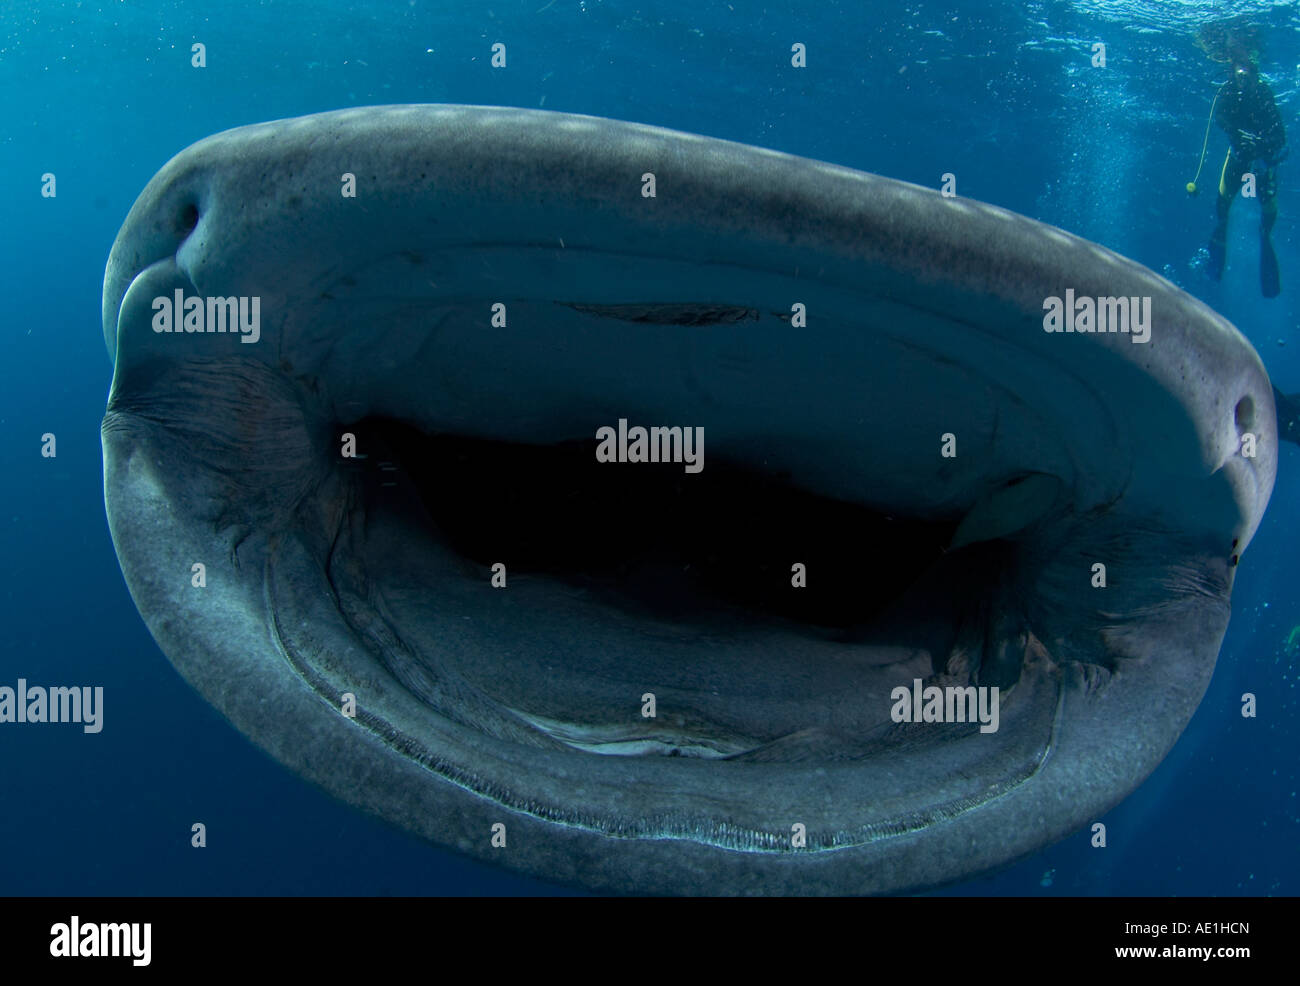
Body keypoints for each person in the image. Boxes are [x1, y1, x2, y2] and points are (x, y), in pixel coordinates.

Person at [1207, 51, 1288, 297]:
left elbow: (1280, 137)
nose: (1243, 80)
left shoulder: (1264, 94)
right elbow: (1219, 117)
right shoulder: (1227, 92)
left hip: (1262, 163)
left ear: (1255, 74)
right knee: (1222, 204)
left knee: (1267, 208)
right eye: (1239, 75)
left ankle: (1265, 233)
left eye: (1248, 75)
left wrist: (1261, 145)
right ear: (1233, 72)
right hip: (1238, 158)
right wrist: (1237, 135)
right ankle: (1222, 233)